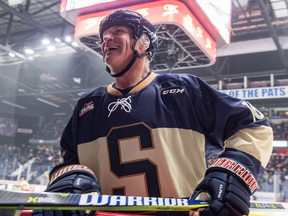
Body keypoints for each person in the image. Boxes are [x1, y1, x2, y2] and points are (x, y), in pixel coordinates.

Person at [34, 9, 273, 216]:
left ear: (144, 42)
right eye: (104, 35)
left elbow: (255, 126)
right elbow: (68, 162)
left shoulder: (185, 90)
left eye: (118, 31)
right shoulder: (86, 106)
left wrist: (232, 172)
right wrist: (68, 177)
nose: (107, 38)